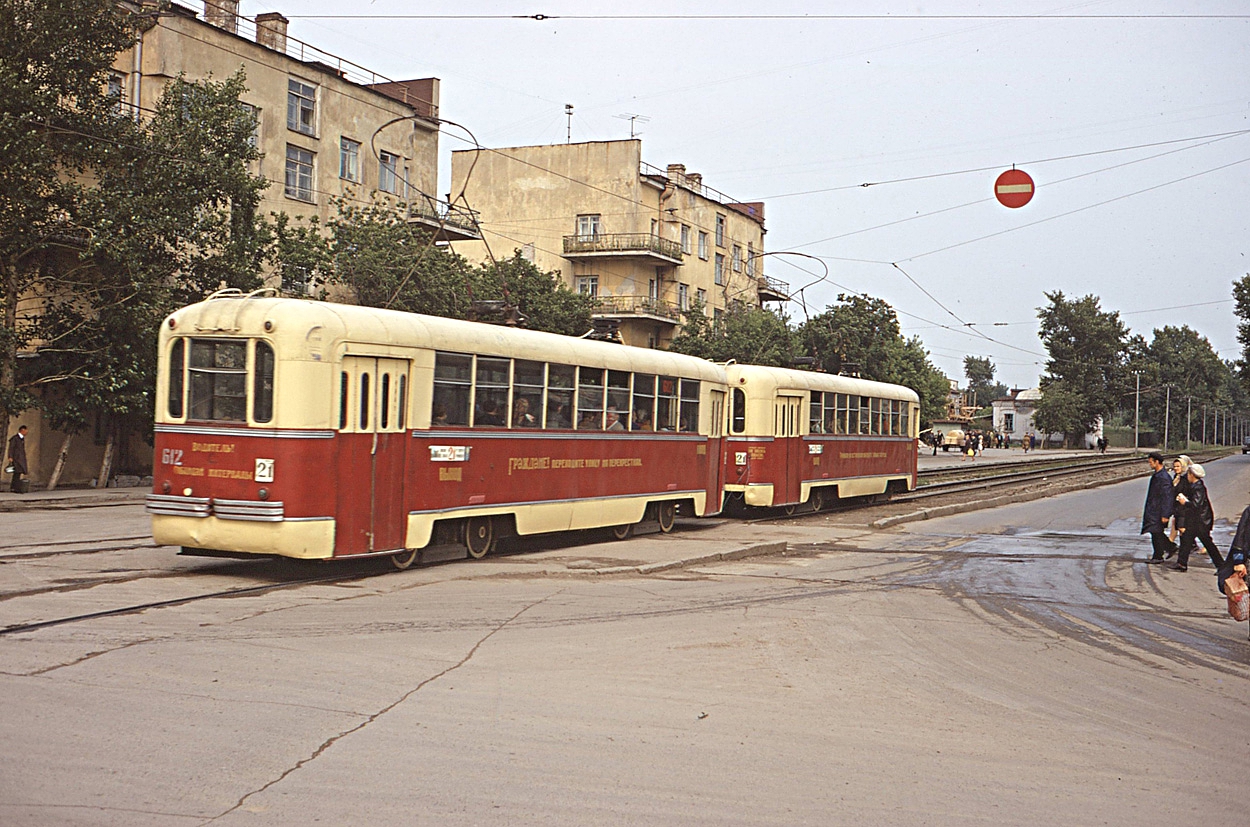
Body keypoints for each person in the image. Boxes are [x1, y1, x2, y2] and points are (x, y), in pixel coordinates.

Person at [1172, 463, 1224, 572]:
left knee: (1208, 544)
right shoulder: (1195, 486)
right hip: (1194, 520)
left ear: (1192, 474)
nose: (1187, 476)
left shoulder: (1198, 487)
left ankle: (1221, 566)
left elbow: (1196, 505)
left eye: (1188, 474)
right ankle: (1182, 563)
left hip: (1200, 521)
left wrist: (1184, 502)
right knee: (1186, 541)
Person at [1141, 451, 1175, 564]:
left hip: (1158, 511)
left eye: (1151, 462)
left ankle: (1161, 554)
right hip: (1154, 510)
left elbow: (1167, 497)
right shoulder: (1158, 475)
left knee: (1156, 532)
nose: (1150, 464)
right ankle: (1165, 550)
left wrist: (1166, 514)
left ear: (1157, 462)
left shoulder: (1163, 478)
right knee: (1155, 532)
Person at [6, 425, 28, 494]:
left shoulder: (22, 439)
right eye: (26, 430)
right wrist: (10, 457)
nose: (27, 432)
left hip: (20, 458)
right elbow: (11, 448)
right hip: (16, 458)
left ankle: (15, 487)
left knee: (18, 473)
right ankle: (14, 488)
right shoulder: (15, 438)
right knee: (17, 473)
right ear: (22, 430)